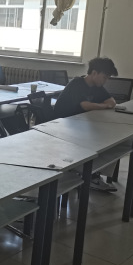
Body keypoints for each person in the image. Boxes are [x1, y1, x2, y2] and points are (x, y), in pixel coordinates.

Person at [54, 57, 119, 192]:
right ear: (94, 73)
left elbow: (112, 102)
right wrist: (104, 106)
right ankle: (90, 175)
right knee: (101, 139)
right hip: (62, 125)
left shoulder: (97, 87)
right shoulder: (77, 83)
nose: (105, 81)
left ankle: (93, 174)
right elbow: (85, 105)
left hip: (79, 124)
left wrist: (103, 105)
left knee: (113, 139)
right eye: (104, 77)